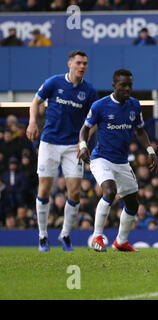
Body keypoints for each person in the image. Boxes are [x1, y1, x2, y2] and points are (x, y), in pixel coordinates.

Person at [78, 68, 158, 252]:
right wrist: (83, 145)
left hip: (122, 162)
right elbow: (84, 129)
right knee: (109, 190)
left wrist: (150, 151)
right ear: (114, 85)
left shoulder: (134, 105)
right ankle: (97, 236)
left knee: (132, 203)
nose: (127, 89)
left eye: (130, 85)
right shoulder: (100, 105)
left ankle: (121, 241)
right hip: (101, 159)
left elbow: (140, 130)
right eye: (123, 85)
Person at [26, 50, 98, 252]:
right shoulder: (54, 82)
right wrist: (32, 122)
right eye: (78, 63)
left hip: (72, 146)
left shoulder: (90, 91)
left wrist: (83, 140)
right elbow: (35, 101)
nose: (82, 66)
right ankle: (42, 236)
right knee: (44, 189)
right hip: (49, 142)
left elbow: (94, 121)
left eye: (85, 63)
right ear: (69, 64)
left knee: (75, 192)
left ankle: (65, 235)